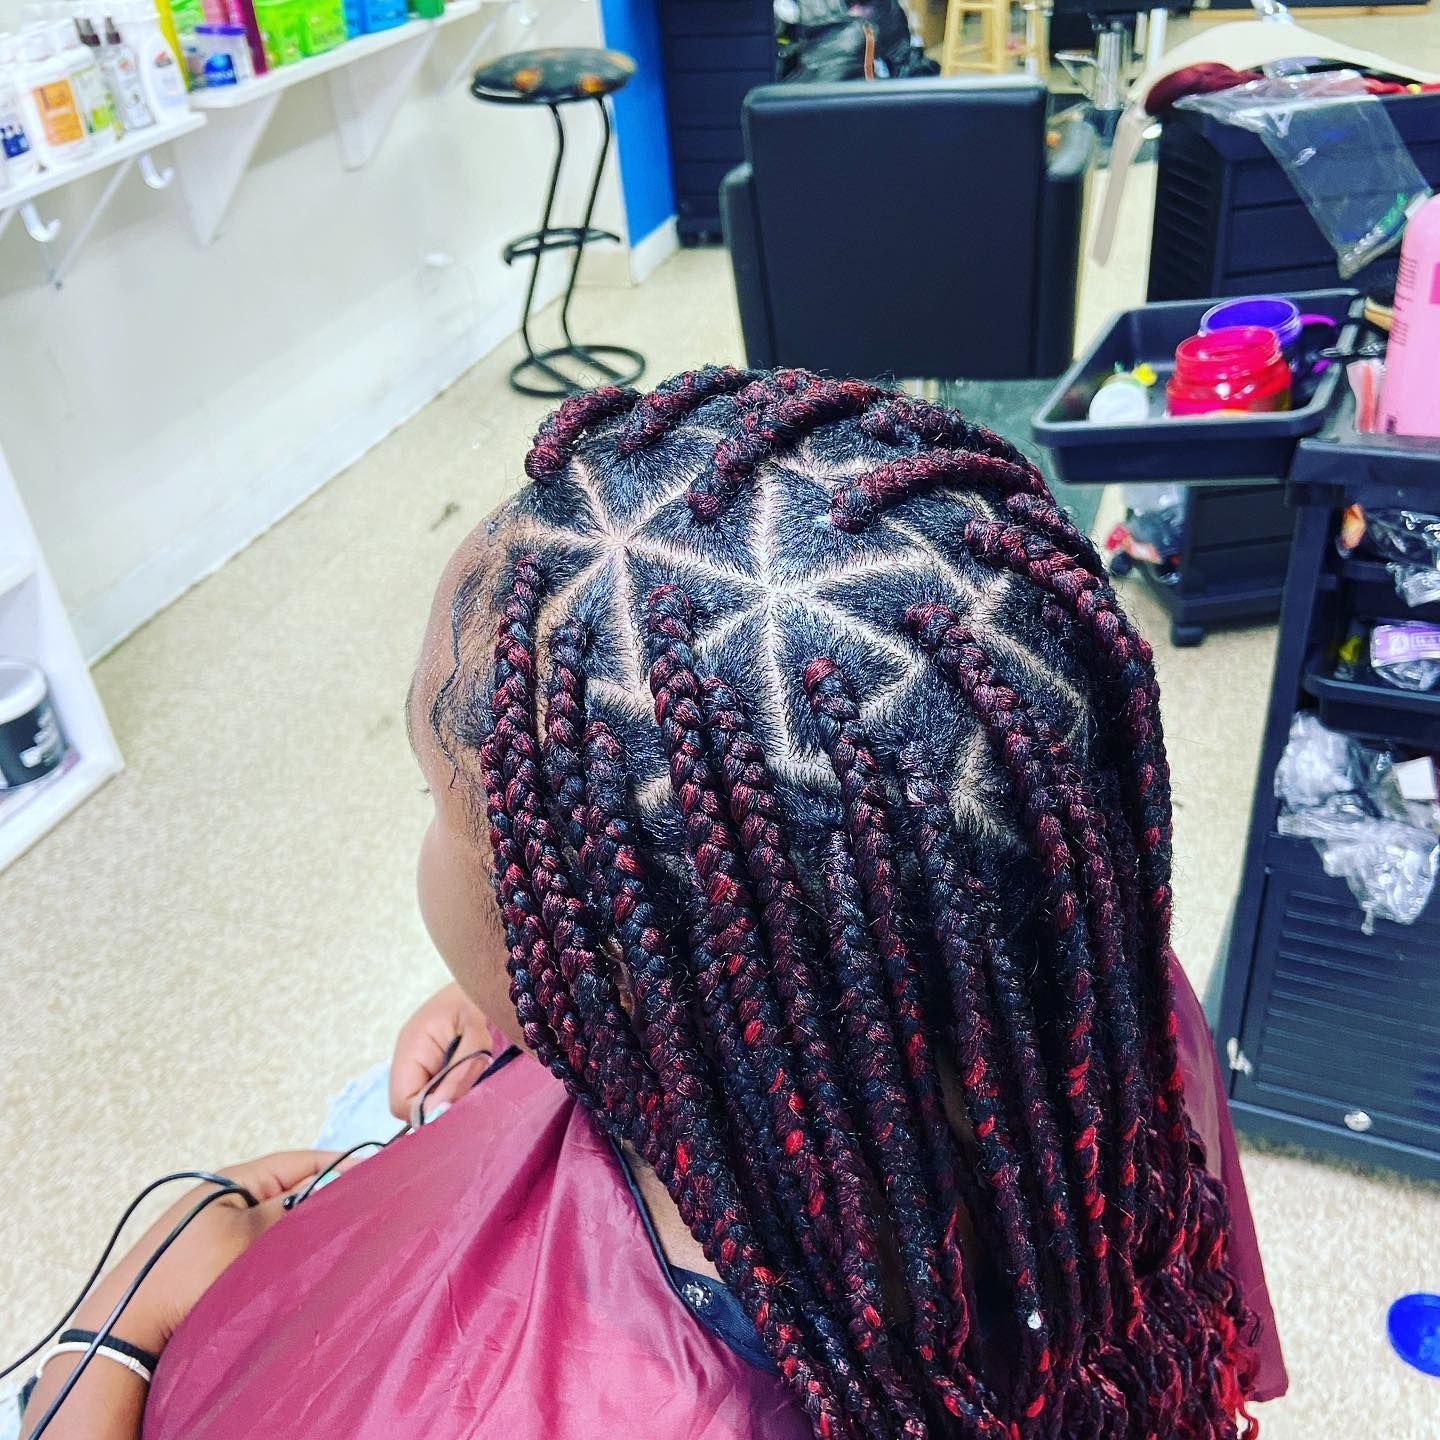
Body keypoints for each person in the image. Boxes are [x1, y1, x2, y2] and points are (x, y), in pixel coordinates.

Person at [22, 368, 1287, 1440]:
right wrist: (543, 1004)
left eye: (436, 795)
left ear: (628, 951)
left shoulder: (476, 1402)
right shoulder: (1078, 1015)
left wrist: (114, 1337)